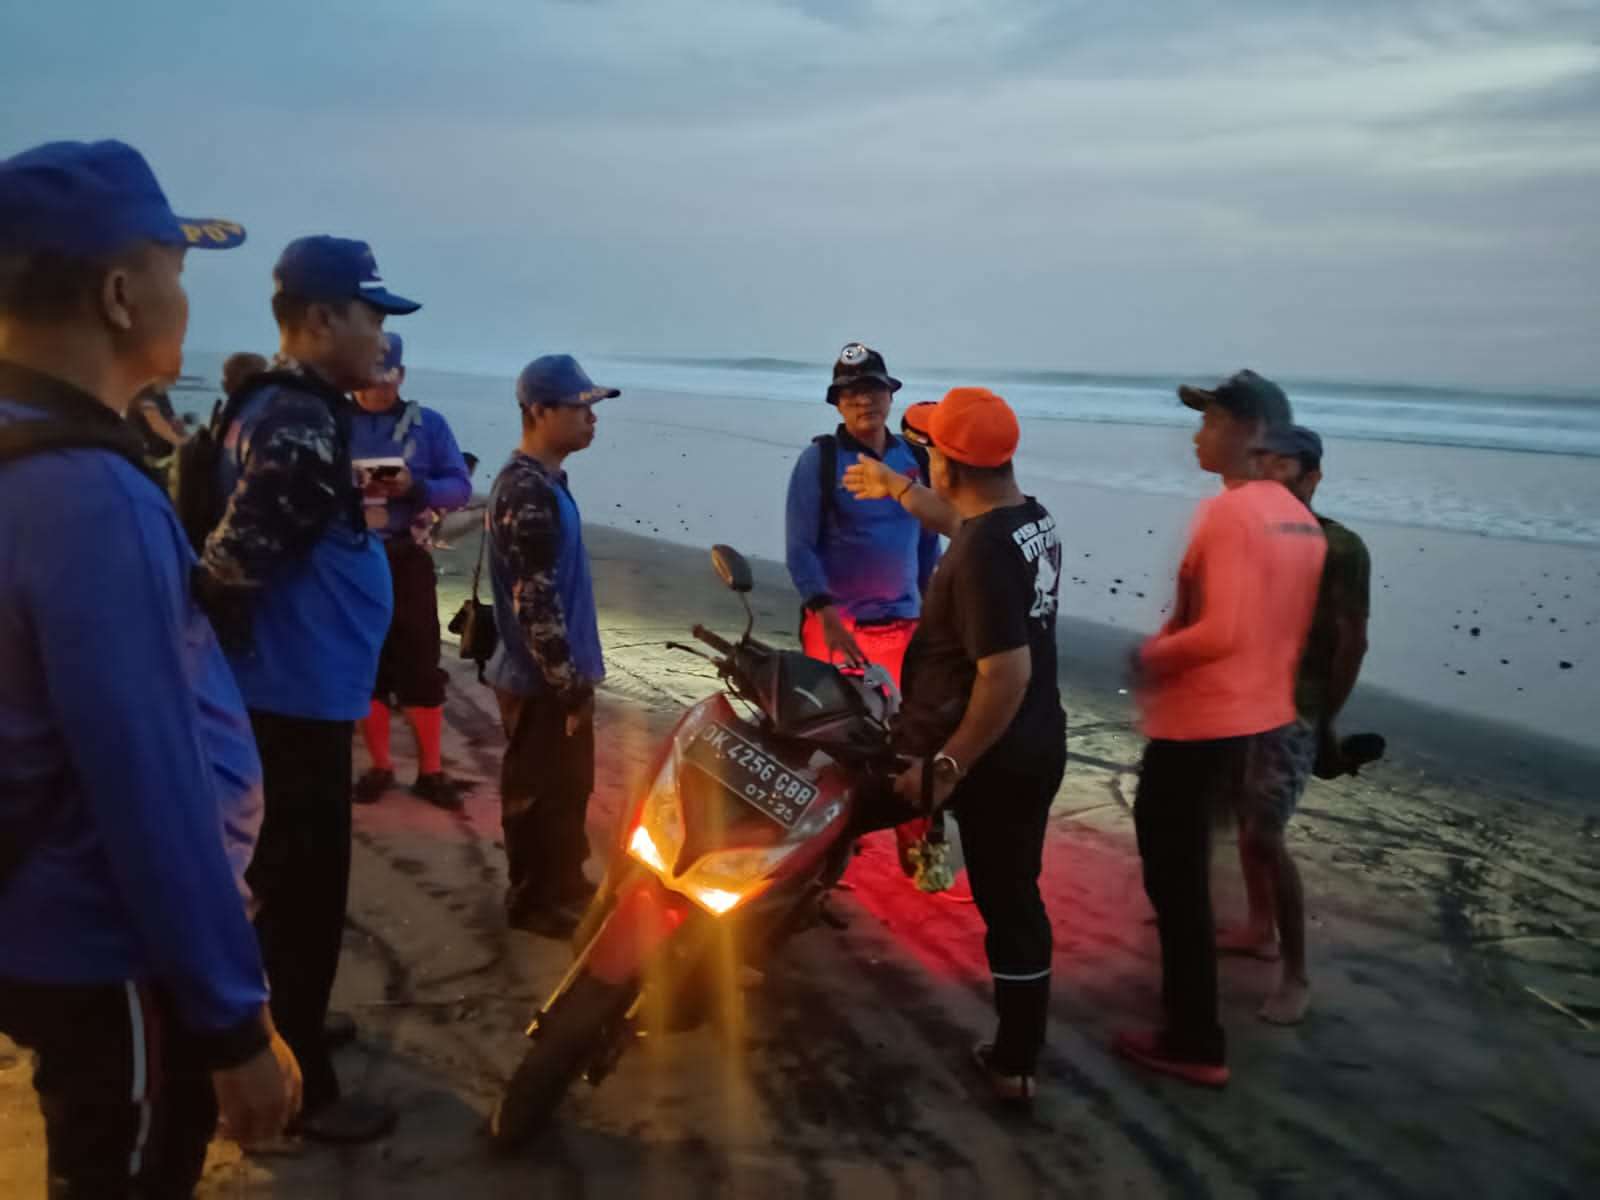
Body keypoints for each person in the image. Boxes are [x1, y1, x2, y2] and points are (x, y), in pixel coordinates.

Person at [0, 138, 300, 1196]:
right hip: (107, 944)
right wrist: (233, 1019)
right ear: (122, 294)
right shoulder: (90, 494)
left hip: (46, 921)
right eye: (177, 265)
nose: (186, 290)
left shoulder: (27, 449)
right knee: (124, 1172)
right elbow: (148, 783)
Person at [200, 235, 420, 1143]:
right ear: (324, 317)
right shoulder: (294, 419)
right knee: (300, 896)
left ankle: (289, 1020)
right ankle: (300, 1091)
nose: (381, 336)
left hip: (295, 695)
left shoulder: (293, 408)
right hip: (288, 707)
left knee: (287, 891)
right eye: (372, 316)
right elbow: (229, 568)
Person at [845, 389, 1066, 1106]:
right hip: (1036, 742)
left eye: (929, 451)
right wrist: (896, 486)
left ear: (952, 465)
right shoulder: (1029, 519)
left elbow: (1006, 674)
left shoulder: (981, 556)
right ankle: (1016, 1059)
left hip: (983, 751)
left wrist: (946, 768)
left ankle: (1015, 1061)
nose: (924, 458)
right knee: (1015, 899)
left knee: (840, 807)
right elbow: (963, 524)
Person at [1113, 370, 1324, 1088]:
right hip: (1255, 718)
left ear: (1245, 430)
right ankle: (1191, 1022)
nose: (1197, 435)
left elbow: (1223, 630)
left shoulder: (1229, 514)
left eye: (1208, 422)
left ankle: (1192, 1038)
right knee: (1192, 874)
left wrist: (1150, 655)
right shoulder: (1299, 521)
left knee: (1176, 880)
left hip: (1200, 721)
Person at [1219, 424, 1371, 1024]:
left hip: (1292, 705)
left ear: (1313, 476)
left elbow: (1352, 643)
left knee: (1265, 834)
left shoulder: (1341, 548)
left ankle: (1296, 973)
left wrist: (1324, 722)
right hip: (1240, 698)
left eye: (1285, 469)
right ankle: (1259, 928)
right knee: (1246, 817)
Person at [484, 355, 614, 938]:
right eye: (580, 408)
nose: (591, 420)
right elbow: (533, 602)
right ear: (539, 412)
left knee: (568, 789)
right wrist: (566, 687)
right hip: (540, 681)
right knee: (537, 793)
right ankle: (534, 898)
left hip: (559, 676)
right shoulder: (525, 490)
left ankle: (564, 881)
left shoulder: (548, 483)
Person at [350, 332, 472, 809]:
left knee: (421, 664)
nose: (374, 386)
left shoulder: (429, 425)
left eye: (384, 376)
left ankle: (431, 771)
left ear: (401, 375)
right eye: (366, 376)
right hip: (352, 558)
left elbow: (460, 487)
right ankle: (379, 766)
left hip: (407, 557)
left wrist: (414, 487)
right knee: (367, 666)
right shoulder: (334, 423)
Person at [785, 342, 940, 683]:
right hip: (839, 631)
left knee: (904, 728)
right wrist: (826, 618)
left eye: (873, 389)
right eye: (851, 393)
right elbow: (800, 549)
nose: (864, 400)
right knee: (838, 730)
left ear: (890, 395)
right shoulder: (819, 461)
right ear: (838, 404)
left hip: (906, 629)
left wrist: (934, 610)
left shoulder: (917, 459)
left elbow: (928, 540)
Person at [127, 381, 187, 463]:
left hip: (164, 455)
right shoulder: (143, 395)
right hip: (147, 458)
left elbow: (172, 421)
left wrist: (183, 434)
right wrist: (187, 446)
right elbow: (157, 425)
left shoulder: (161, 394)